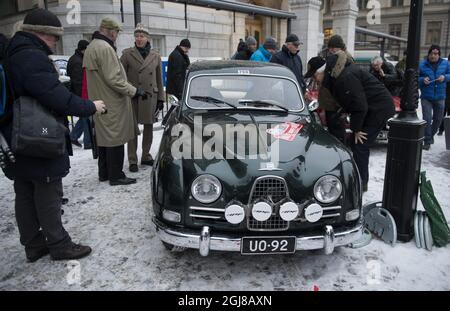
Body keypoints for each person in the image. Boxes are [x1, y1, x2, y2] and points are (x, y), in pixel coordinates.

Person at [2, 9, 106, 261]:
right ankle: (59, 244)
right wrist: (91, 106)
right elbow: (55, 98)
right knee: (49, 189)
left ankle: (34, 244)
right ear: (41, 34)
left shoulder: (13, 53)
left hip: (18, 135)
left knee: (25, 189)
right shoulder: (31, 57)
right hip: (39, 137)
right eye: (53, 38)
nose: (55, 43)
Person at [83, 18, 144, 186]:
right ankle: (116, 175)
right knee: (115, 138)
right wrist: (134, 91)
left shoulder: (92, 46)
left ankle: (104, 173)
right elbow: (114, 79)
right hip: (112, 101)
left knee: (103, 138)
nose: (116, 36)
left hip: (99, 99)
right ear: (111, 31)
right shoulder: (105, 48)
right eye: (116, 32)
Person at [326, 53, 395, 192]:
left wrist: (356, 129)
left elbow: (359, 105)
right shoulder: (348, 72)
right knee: (356, 144)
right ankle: (358, 178)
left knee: (360, 144)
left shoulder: (347, 75)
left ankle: (361, 182)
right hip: (374, 108)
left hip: (379, 109)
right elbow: (354, 100)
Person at [121, 24, 165, 172]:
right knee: (132, 129)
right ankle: (132, 159)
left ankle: (146, 155)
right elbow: (121, 77)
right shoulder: (127, 54)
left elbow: (159, 78)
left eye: (142, 36)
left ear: (148, 38)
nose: (139, 39)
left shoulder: (155, 56)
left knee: (148, 128)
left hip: (150, 96)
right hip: (133, 96)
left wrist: (161, 99)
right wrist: (130, 91)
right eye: (137, 36)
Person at [418, 45, 450, 150]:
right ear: (428, 54)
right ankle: (427, 141)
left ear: (439, 55)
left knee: (438, 119)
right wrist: (423, 80)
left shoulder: (446, 64)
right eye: (431, 53)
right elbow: (415, 78)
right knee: (426, 118)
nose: (433, 56)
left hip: (440, 97)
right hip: (426, 97)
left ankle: (430, 136)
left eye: (436, 54)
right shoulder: (422, 65)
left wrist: (444, 77)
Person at [68, 39, 91, 149]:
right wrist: (82, 97)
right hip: (81, 94)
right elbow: (78, 82)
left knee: (84, 117)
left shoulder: (76, 59)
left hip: (80, 93)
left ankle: (73, 136)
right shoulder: (78, 61)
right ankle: (88, 142)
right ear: (84, 49)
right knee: (86, 117)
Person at [438, 53, 450, 135]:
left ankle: (445, 130)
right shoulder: (445, 69)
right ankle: (441, 129)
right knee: (443, 112)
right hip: (444, 94)